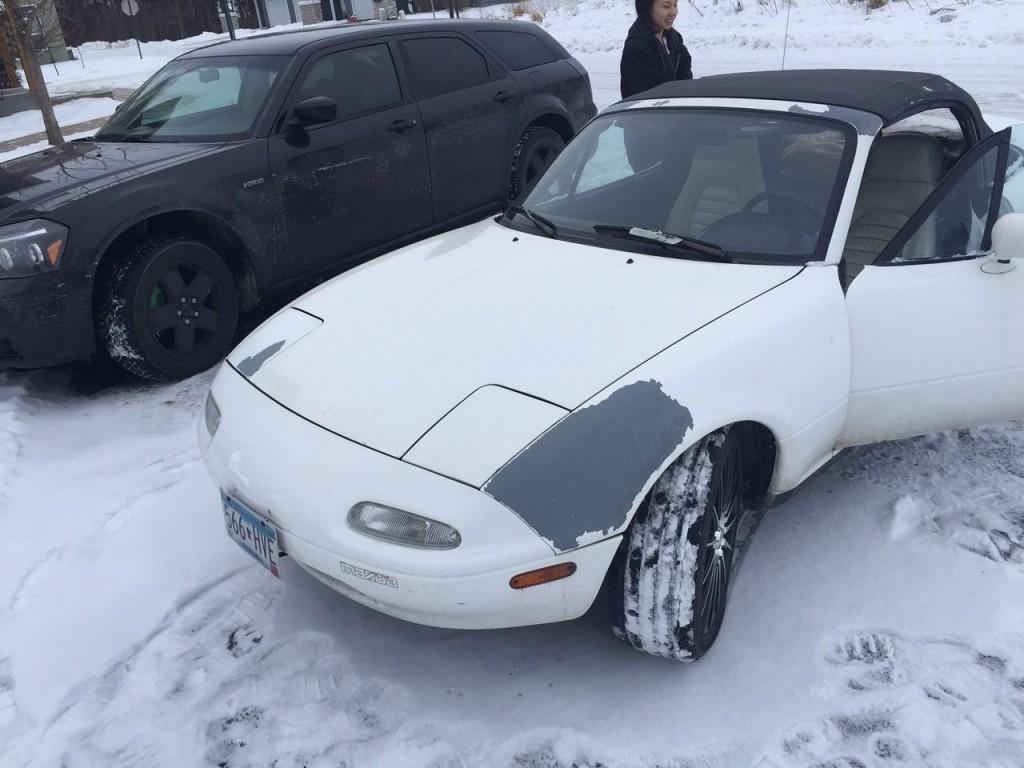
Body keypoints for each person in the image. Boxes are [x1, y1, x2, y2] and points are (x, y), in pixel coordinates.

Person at [620, 0, 693, 99]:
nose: (673, 12)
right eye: (666, 6)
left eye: (675, 5)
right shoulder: (637, 49)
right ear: (647, 8)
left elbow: (686, 81)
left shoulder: (675, 39)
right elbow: (650, 96)